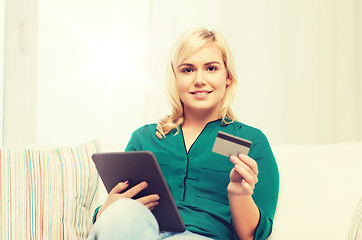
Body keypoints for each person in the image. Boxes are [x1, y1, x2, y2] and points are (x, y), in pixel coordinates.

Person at [88, 28, 279, 240]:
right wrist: (108, 210)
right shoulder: (145, 138)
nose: (199, 79)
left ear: (228, 76)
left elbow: (251, 236)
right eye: (187, 70)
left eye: (211, 68)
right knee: (124, 213)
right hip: (141, 233)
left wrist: (238, 192)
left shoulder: (248, 141)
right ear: (176, 77)